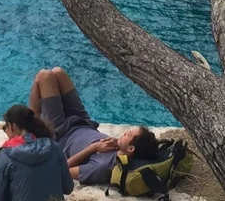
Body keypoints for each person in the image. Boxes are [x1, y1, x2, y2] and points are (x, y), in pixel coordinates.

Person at [27, 66, 158, 186]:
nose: (123, 134)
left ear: (131, 148)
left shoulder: (101, 167)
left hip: (60, 132)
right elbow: (122, 146)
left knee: (44, 76)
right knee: (58, 72)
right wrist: (117, 143)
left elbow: (61, 170)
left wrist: (92, 148)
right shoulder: (121, 149)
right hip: (83, 121)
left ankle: (31, 125)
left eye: (127, 135)